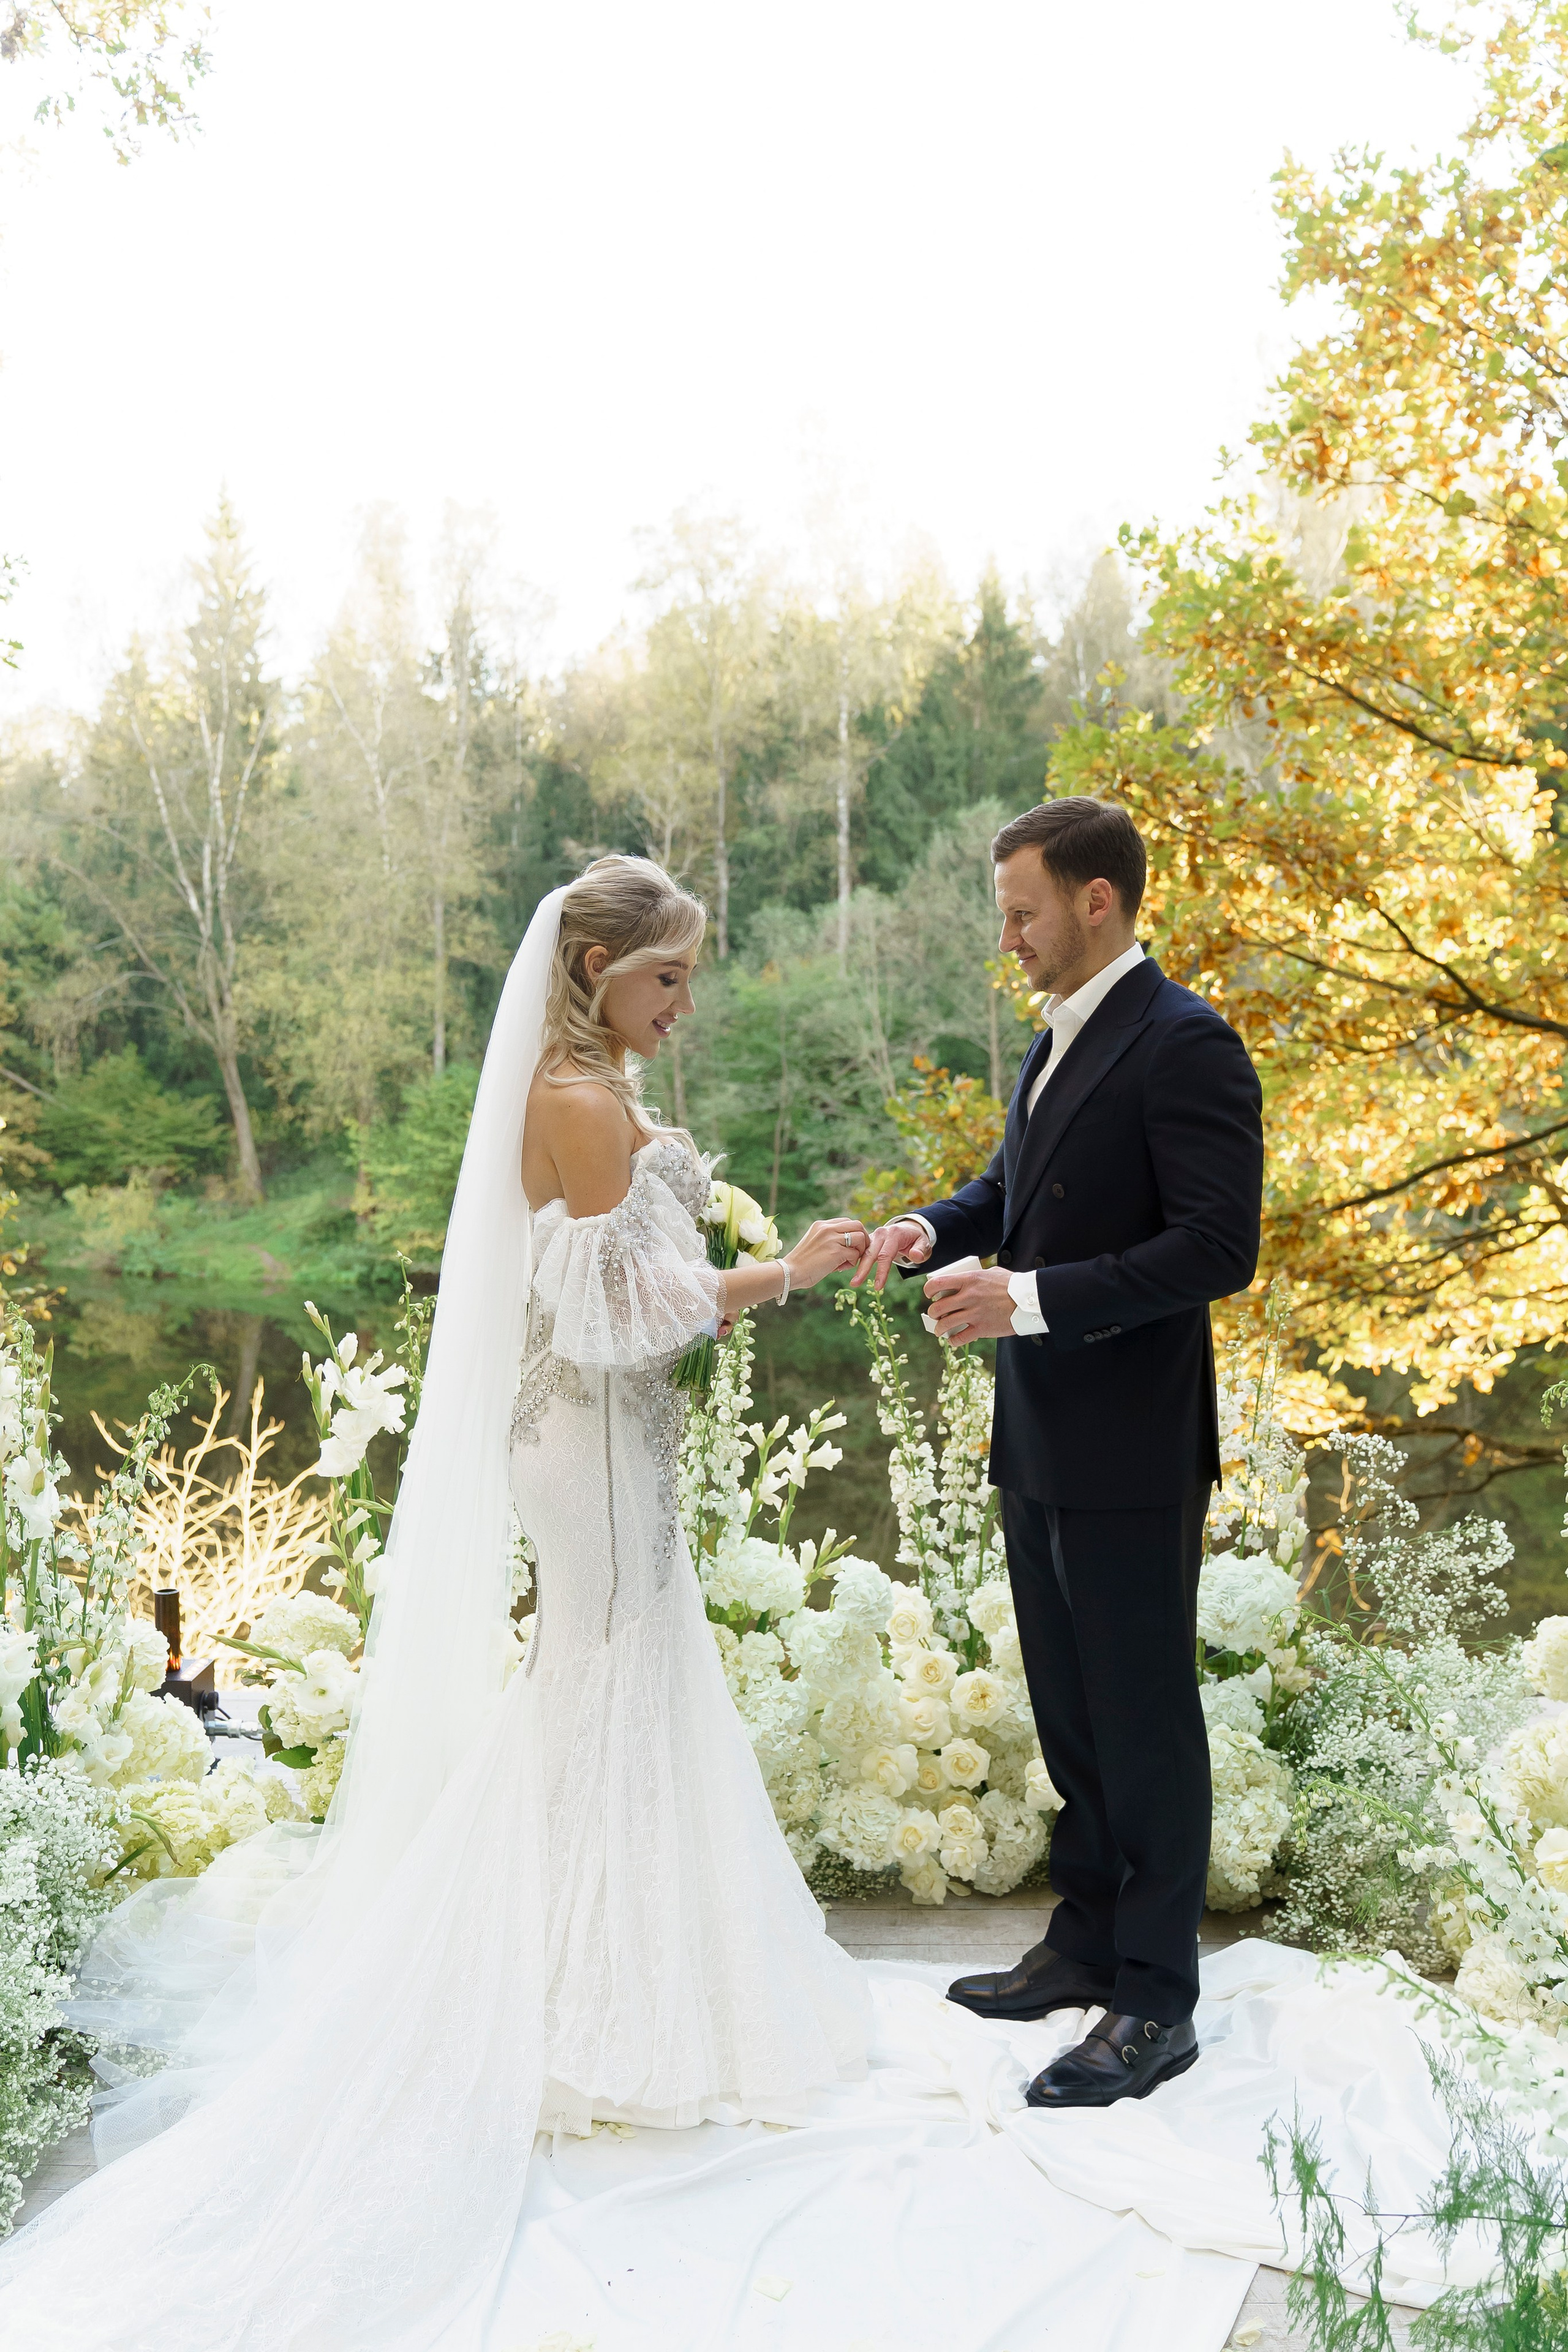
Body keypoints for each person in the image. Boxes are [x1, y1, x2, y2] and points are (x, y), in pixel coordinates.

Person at [0, 858, 872, 2346]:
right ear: (592, 964)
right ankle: (574, 2007)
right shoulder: (579, 1100)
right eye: (664, 976)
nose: (680, 1002)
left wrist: (750, 1262)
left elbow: (618, 1284)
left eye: (684, 978)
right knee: (605, 1683)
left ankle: (600, 1984)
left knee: (618, 1686)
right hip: (591, 1441)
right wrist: (780, 1274)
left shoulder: (575, 1083)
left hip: (594, 1443)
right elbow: (617, 1320)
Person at [856, 795, 1264, 2110]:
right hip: (1038, 1433)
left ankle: (1154, 2000)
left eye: (1022, 911)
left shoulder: (1185, 1042)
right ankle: (1083, 1941)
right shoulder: (1056, 1041)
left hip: (1134, 1444)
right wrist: (929, 1226)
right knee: (1072, 1717)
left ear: (1097, 900)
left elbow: (1217, 1248)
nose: (1009, 936)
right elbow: (1007, 1195)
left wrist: (1023, 1299)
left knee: (1144, 1724)